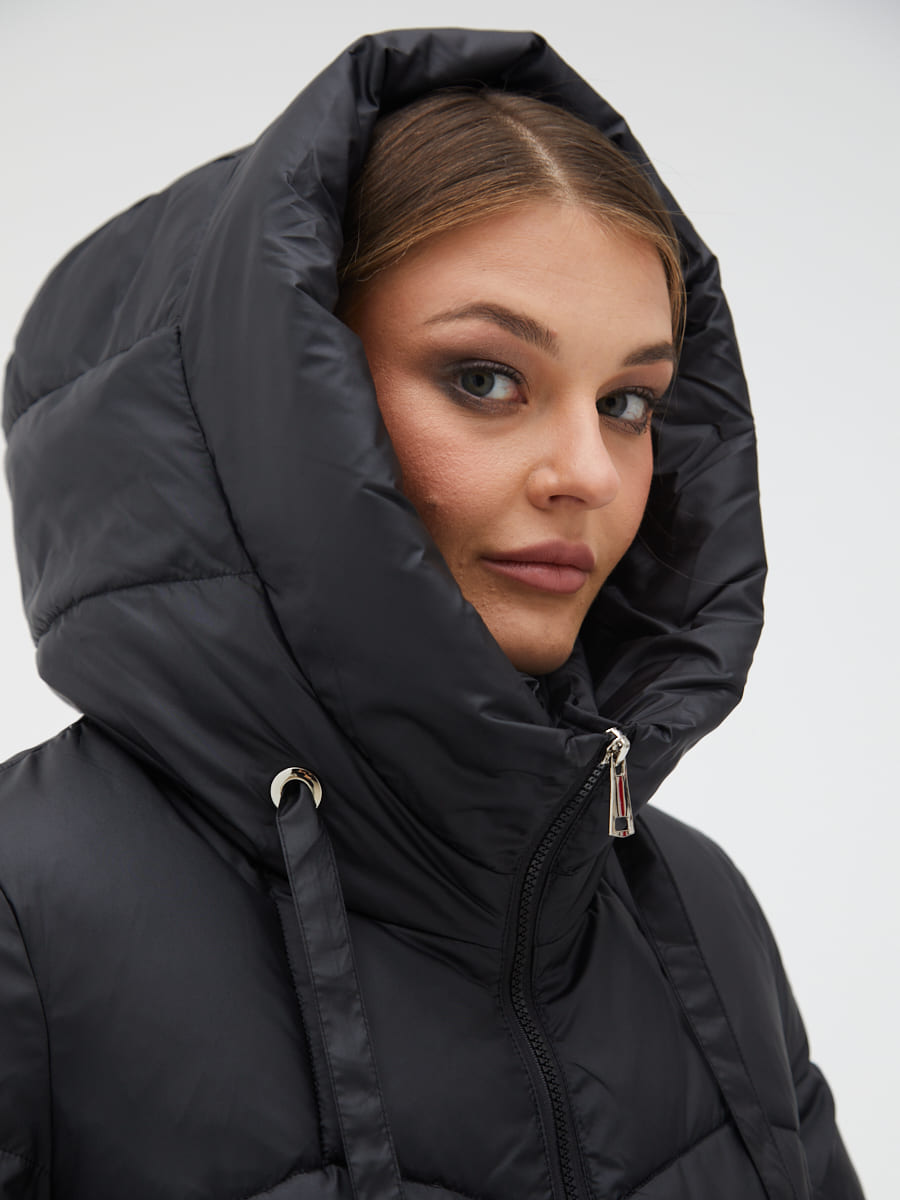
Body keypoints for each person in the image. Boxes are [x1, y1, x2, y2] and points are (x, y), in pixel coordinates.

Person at [0, 27, 862, 1200]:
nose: (590, 474)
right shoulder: (25, 920)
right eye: (485, 379)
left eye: (626, 401)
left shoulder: (698, 911)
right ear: (270, 412)